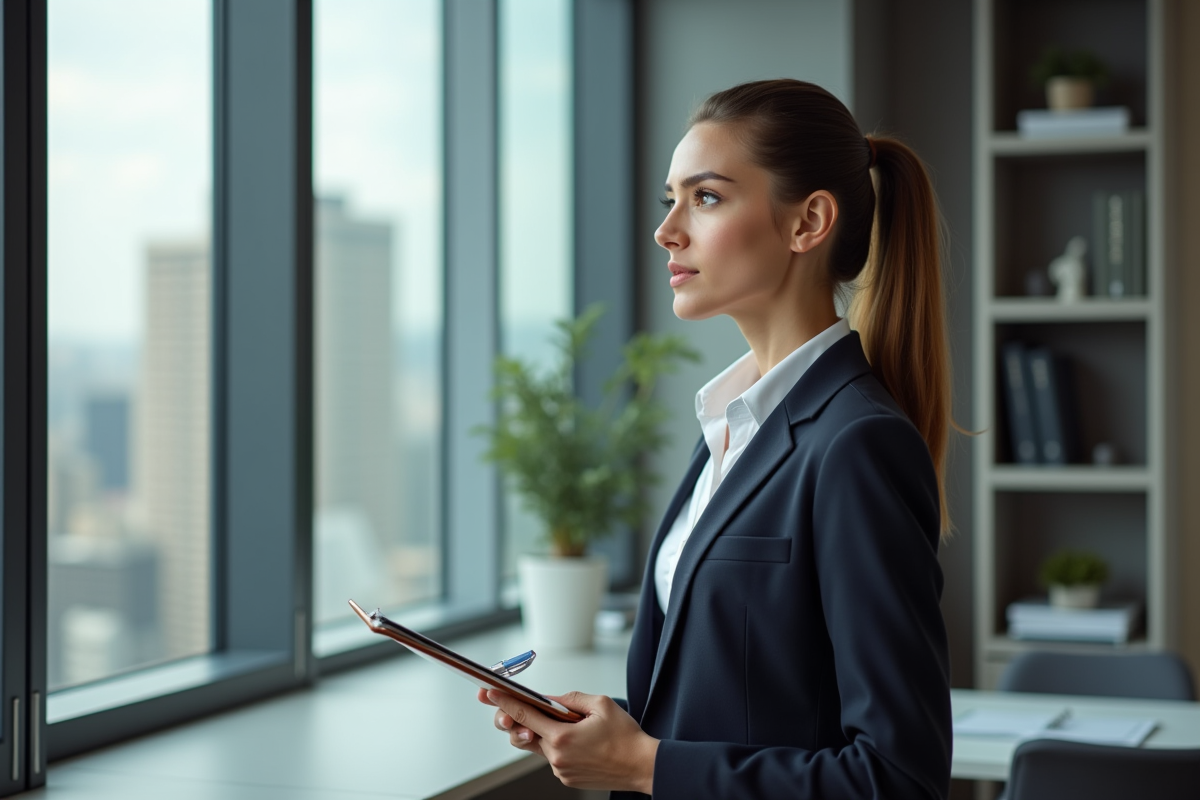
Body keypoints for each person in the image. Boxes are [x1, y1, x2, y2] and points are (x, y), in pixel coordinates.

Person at [478, 78, 955, 799]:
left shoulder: (856, 445)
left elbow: (897, 779)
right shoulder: (732, 426)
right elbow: (756, 706)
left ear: (808, 223)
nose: (669, 230)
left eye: (705, 198)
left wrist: (643, 765)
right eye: (670, 199)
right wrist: (611, 733)